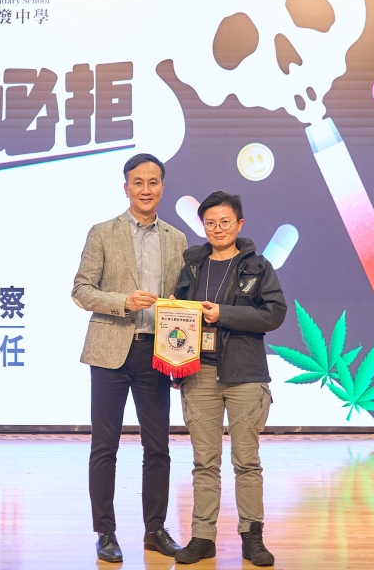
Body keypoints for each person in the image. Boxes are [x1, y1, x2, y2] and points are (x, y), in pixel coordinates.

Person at [72, 153, 188, 563]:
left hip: (156, 352)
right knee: (105, 446)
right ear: (126, 188)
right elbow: (81, 290)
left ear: (163, 187)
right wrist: (122, 301)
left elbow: (182, 300)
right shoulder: (102, 232)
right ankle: (105, 532)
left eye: (153, 182)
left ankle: (155, 530)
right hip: (110, 350)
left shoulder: (176, 239)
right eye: (138, 182)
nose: (145, 189)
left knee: (158, 446)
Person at [172, 191, 286, 567]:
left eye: (224, 222)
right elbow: (176, 317)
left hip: (245, 375)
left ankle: (252, 538)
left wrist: (225, 314)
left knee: (246, 462)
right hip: (199, 374)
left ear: (239, 224)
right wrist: (174, 359)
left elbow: (274, 314)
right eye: (210, 222)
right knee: (204, 462)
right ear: (202, 225)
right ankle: (202, 537)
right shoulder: (191, 266)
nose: (217, 229)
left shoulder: (258, 266)